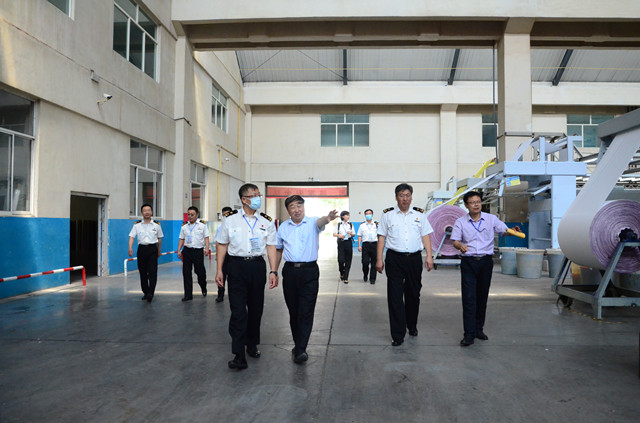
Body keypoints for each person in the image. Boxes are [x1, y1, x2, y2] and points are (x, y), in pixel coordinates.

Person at [215, 184, 278, 370]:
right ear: (244, 199)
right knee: (238, 311)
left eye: (259, 195)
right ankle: (238, 355)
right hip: (236, 267)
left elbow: (271, 246)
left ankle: (252, 344)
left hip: (257, 266)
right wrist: (219, 270)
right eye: (254, 195)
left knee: (256, 309)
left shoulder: (266, 221)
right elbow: (221, 244)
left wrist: (273, 270)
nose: (258, 198)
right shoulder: (230, 220)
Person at [451, 191, 522, 347]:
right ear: (466, 205)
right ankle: (468, 334)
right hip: (469, 262)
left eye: (478, 201)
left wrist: (513, 231)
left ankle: (478, 330)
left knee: (482, 296)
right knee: (469, 298)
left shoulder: (491, 219)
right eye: (472, 202)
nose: (476, 205)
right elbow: (455, 241)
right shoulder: (460, 222)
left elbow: (504, 230)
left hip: (485, 262)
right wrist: (460, 245)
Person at [275, 195, 338, 364]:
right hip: (290, 272)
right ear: (288, 210)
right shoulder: (283, 227)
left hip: (309, 272)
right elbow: (278, 249)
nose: (297, 209)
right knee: (294, 311)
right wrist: (274, 271)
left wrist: (328, 218)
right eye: (293, 207)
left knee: (306, 311)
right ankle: (298, 344)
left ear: (304, 207)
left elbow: (321, 222)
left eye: (299, 206)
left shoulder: (312, 223)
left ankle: (301, 349)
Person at [376, 183, 434, 346]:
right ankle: (397, 334)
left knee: (413, 294)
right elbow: (381, 237)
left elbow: (426, 236)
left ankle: (412, 325)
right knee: (395, 296)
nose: (405, 199)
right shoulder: (388, 215)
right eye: (401, 195)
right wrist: (379, 259)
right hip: (394, 259)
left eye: (407, 195)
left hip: (414, 259)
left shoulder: (420, 214)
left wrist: (429, 256)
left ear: (411, 197)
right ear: (396, 197)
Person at [128, 203, 163, 303]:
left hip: (152, 249)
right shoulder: (137, 225)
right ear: (142, 213)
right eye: (144, 210)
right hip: (142, 250)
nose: (147, 212)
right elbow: (132, 236)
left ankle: (151, 293)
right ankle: (145, 292)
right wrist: (130, 247)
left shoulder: (156, 225)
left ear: (151, 212)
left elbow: (159, 239)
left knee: (152, 272)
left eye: (148, 210)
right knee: (142, 272)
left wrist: (159, 251)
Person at [177, 206, 210, 302]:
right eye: (188, 214)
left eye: (192, 214)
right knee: (186, 273)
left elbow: (206, 237)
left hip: (198, 251)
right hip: (187, 251)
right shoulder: (184, 226)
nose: (190, 216)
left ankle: (203, 286)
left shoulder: (202, 225)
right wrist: (179, 250)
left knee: (200, 272)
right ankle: (188, 295)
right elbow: (181, 238)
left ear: (197, 215)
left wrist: (207, 248)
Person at [215, 206, 233, 303]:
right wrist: (217, 255)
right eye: (224, 215)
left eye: (227, 215)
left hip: (233, 256)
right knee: (221, 275)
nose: (226, 217)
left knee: (233, 277)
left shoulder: (236, 226)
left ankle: (233, 295)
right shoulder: (220, 227)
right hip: (223, 255)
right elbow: (218, 242)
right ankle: (220, 295)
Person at [333, 210, 355, 283]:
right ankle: (342, 272)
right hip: (341, 242)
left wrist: (350, 233)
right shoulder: (339, 225)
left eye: (348, 215)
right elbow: (334, 234)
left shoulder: (350, 225)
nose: (348, 216)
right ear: (342, 216)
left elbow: (354, 234)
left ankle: (346, 277)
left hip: (348, 242)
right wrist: (339, 235)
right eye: (346, 215)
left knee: (348, 259)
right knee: (341, 260)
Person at [357, 209, 378, 284]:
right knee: (365, 262)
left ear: (372, 214)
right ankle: (365, 274)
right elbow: (359, 236)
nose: (368, 215)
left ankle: (372, 279)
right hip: (365, 245)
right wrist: (359, 245)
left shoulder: (376, 225)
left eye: (370, 213)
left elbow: (380, 235)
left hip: (374, 245)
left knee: (374, 263)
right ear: (365, 215)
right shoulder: (362, 225)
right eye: (367, 214)